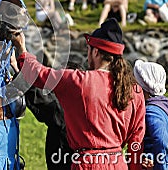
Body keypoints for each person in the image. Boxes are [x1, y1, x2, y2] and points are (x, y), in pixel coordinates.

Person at [12, 18, 145, 169]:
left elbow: (38, 73)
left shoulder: (80, 81)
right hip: (118, 164)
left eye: (88, 49)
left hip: (88, 165)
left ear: (95, 51)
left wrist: (21, 49)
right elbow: (137, 141)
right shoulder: (135, 90)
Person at [133, 60, 168, 170]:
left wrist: (158, 165)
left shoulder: (152, 112)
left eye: (134, 83)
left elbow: (162, 142)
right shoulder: (162, 107)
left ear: (142, 86)